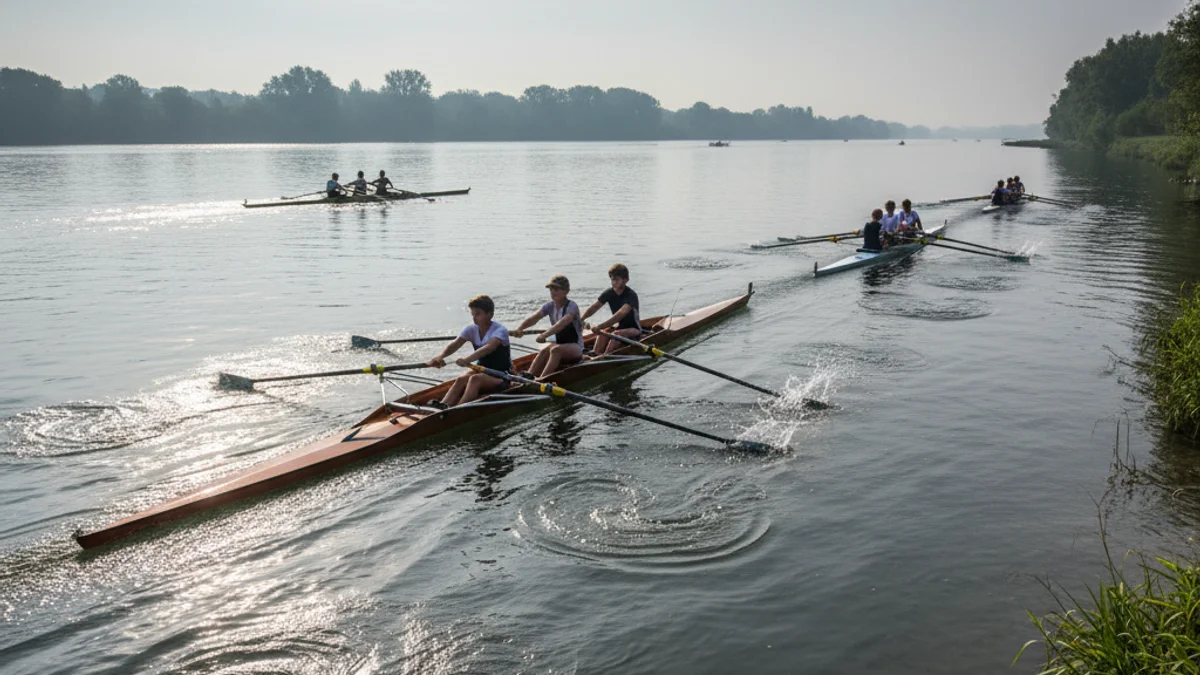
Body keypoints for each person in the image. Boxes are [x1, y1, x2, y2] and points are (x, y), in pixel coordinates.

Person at [426, 295, 512, 408]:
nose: (474, 318)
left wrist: (467, 360)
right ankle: (443, 405)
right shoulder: (471, 329)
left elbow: (488, 348)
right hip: (481, 370)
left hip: (501, 376)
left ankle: (458, 409)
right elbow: (455, 344)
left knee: (474, 379)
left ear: (490, 315)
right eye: (473, 314)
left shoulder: (500, 330)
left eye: (478, 314)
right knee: (461, 379)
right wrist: (440, 356)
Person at [512, 274, 584, 379]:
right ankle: (529, 376)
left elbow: (562, 323)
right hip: (560, 345)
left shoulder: (572, 306)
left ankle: (542, 380)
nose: (553, 292)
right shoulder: (549, 306)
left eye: (556, 289)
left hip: (576, 348)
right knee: (544, 351)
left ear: (566, 291)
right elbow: (534, 318)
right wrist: (520, 329)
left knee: (555, 350)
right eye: (551, 289)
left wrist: (544, 335)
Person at [581, 263, 642, 355]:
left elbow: (619, 316)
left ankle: (605, 356)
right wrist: (582, 319)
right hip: (619, 327)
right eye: (612, 279)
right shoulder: (609, 293)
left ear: (625, 280)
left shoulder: (631, 296)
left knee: (616, 334)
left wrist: (599, 326)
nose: (614, 282)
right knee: (604, 332)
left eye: (617, 280)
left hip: (634, 329)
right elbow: (594, 307)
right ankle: (596, 353)